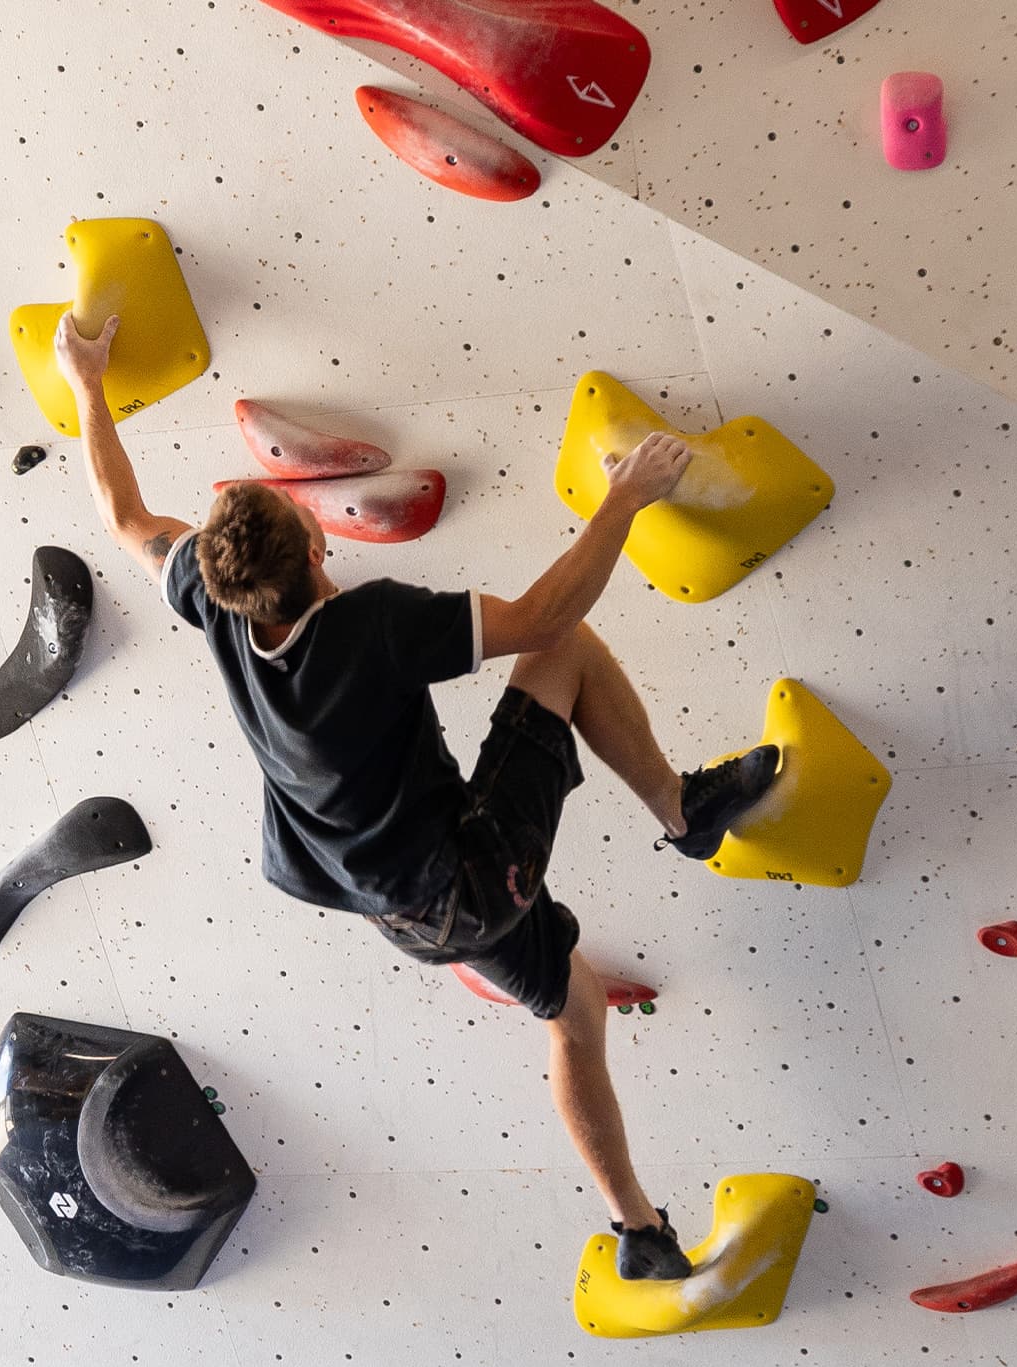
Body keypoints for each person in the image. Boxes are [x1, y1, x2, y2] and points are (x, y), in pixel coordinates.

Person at [52, 312, 782, 1280]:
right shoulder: (369, 626)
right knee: (564, 649)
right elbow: (542, 617)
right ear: (315, 546)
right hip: (473, 873)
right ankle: (680, 813)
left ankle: (639, 1231)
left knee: (577, 1011)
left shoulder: (214, 604)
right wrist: (625, 501)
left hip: (400, 910)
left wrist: (87, 384)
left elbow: (122, 516)